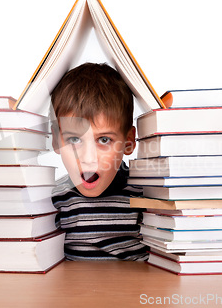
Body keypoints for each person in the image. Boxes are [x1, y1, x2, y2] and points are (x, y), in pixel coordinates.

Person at [50, 63, 148, 261]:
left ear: (128, 142)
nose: (88, 158)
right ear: (55, 140)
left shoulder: (147, 197)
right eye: (74, 139)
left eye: (104, 140)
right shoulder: (54, 201)